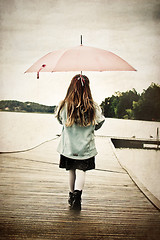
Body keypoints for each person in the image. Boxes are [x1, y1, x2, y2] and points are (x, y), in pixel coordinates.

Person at [56, 74, 105, 211]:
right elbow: (99, 123)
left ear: (71, 87)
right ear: (87, 88)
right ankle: (78, 198)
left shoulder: (64, 105)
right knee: (81, 171)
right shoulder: (93, 107)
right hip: (85, 148)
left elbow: (61, 121)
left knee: (71, 170)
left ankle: (71, 196)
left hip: (69, 147)